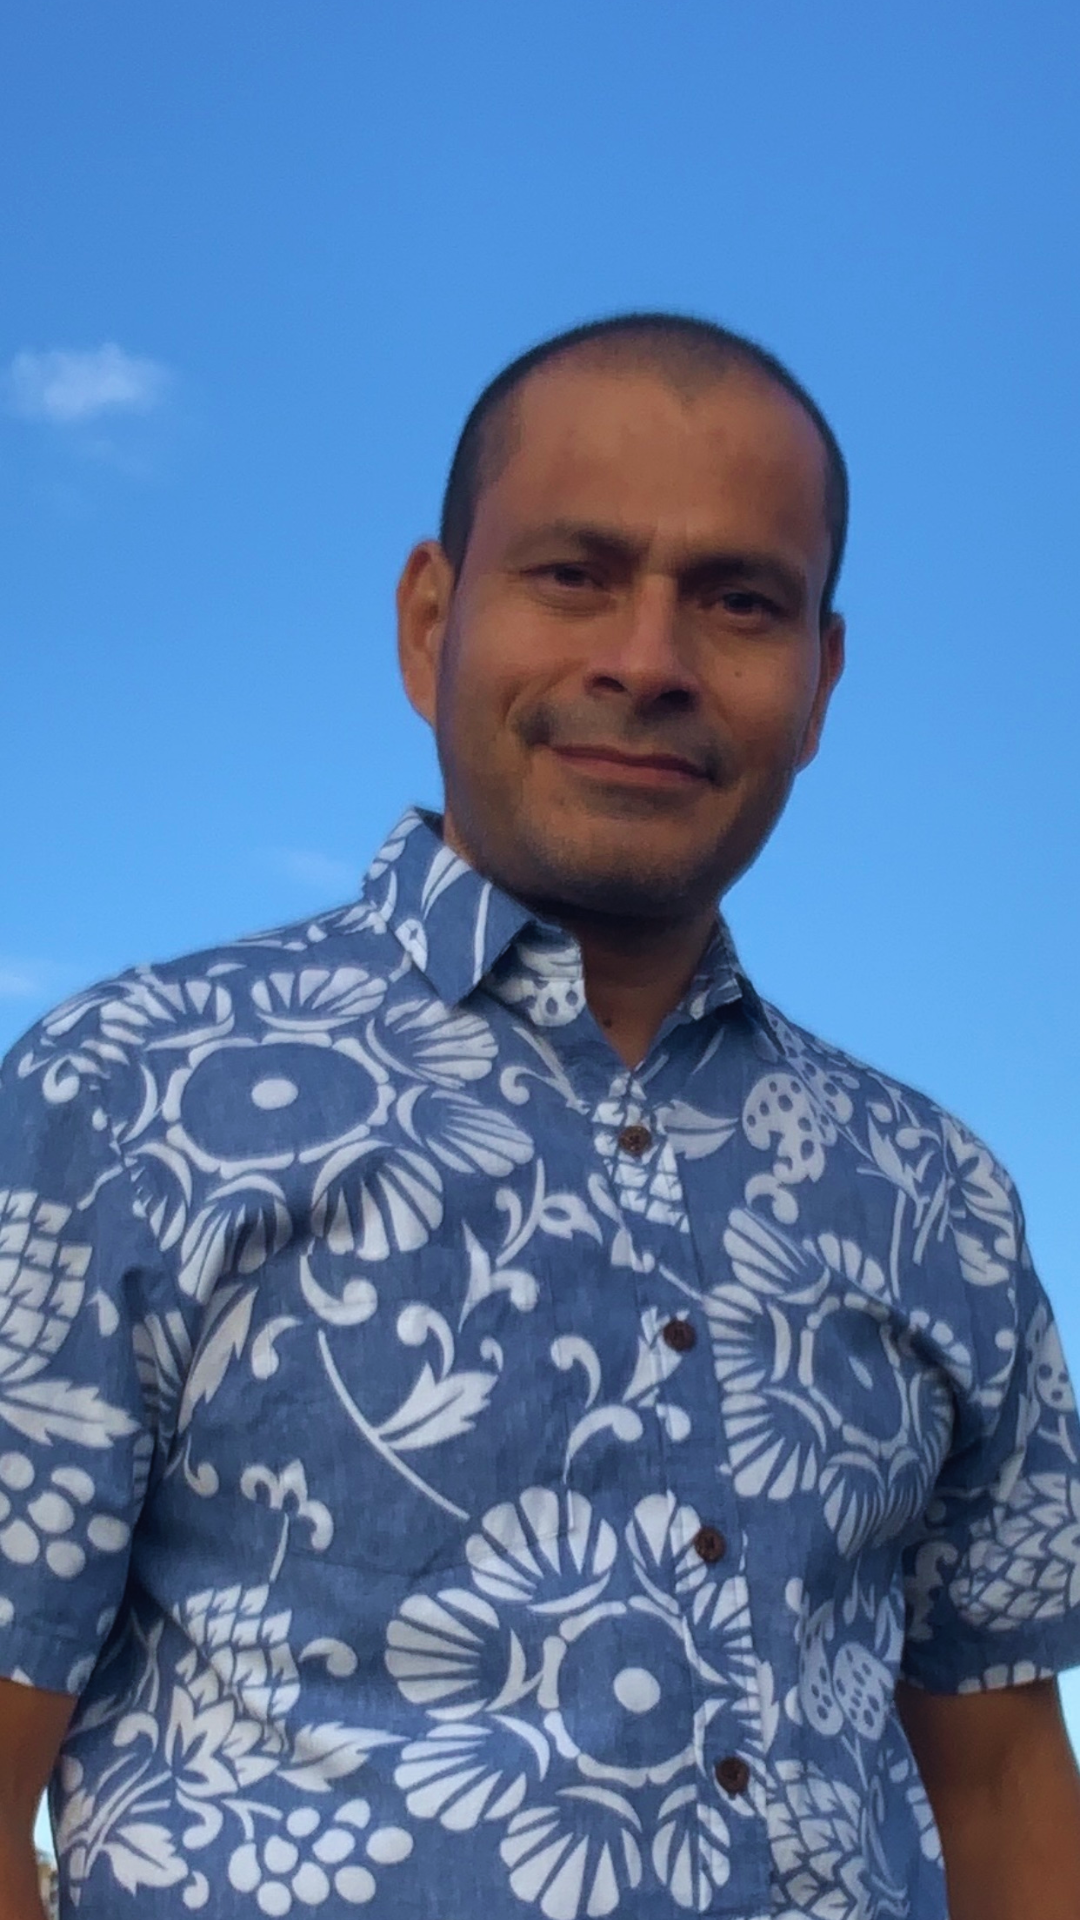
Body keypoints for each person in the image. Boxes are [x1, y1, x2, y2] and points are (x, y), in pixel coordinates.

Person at [1, 313, 1078, 1920]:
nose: (648, 658)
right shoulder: (129, 1095)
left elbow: (996, 1778)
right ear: (431, 616)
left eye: (739, 599)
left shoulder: (939, 1197)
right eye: (574, 572)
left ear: (822, 677)